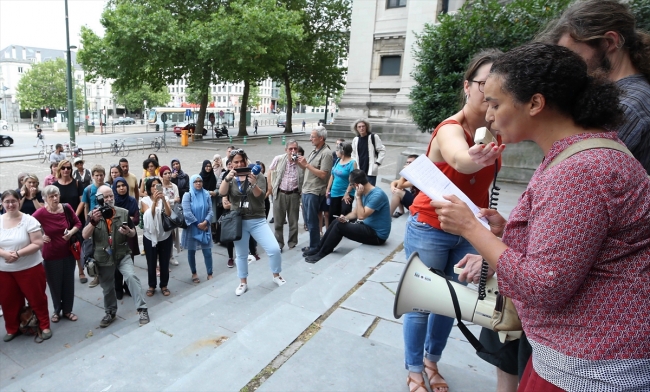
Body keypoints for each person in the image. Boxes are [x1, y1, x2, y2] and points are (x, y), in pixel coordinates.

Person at [432, 42, 650, 392]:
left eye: (496, 103)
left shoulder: (581, 170)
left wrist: (472, 229)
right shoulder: (583, 152)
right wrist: (507, 236)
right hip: (581, 357)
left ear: (535, 103)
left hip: (588, 366)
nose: (487, 114)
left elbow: (545, 287)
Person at [400, 49, 503, 392]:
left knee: (450, 304)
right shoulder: (450, 127)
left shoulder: (496, 131)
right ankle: (414, 369)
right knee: (421, 304)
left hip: (468, 229)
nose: (490, 91)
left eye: (498, 84)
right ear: (467, 86)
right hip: (431, 226)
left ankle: (432, 362)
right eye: (483, 83)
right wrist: (473, 156)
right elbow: (460, 159)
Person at [540, 0, 650, 174]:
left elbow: (578, 179)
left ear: (610, 41)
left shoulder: (627, 106)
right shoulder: (625, 96)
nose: (571, 67)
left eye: (575, 56)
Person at [219, 149, 285, 296]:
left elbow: (261, 197)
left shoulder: (257, 174)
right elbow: (222, 193)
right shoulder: (230, 176)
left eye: (242, 161)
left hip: (257, 219)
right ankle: (243, 282)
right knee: (241, 254)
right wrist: (227, 179)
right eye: (236, 162)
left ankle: (276, 275)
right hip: (239, 221)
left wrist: (254, 183)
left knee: (274, 249)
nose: (239, 164)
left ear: (246, 160)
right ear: (231, 164)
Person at [82, 185, 149, 328]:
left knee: (131, 277)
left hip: (122, 254)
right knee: (107, 287)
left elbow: (133, 233)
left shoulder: (123, 213)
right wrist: (93, 222)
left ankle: (142, 309)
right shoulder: (93, 215)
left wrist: (128, 232)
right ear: (99, 198)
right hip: (103, 257)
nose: (109, 199)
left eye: (111, 196)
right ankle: (110, 312)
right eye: (105, 197)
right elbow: (84, 235)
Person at [304, 170, 390, 263]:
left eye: (351, 185)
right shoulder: (365, 192)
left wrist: (358, 197)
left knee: (339, 227)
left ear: (356, 185)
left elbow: (361, 216)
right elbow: (355, 213)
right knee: (337, 221)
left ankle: (323, 253)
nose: (350, 186)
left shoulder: (377, 195)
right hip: (367, 227)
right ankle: (318, 248)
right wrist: (345, 218)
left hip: (377, 235)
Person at [0, 190, 52, 342]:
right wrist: (4, 254)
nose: (10, 204)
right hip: (4, 271)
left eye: (13, 201)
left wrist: (17, 254)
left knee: (37, 298)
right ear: (2, 203)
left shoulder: (29, 220)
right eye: (7, 202)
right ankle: (12, 328)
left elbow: (37, 243)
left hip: (30, 269)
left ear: (18, 201)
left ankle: (44, 325)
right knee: (8, 301)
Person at [32, 185, 82, 324]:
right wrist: (40, 236)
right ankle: (56, 310)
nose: (55, 198)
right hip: (51, 255)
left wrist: (70, 233)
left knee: (68, 283)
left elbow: (78, 223)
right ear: (45, 199)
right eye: (51, 196)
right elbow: (28, 226)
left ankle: (67, 310)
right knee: (54, 285)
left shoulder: (66, 208)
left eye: (56, 195)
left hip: (68, 252)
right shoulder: (41, 213)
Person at [297, 127, 333, 255]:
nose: (310, 139)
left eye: (312, 136)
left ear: (321, 138)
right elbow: (307, 168)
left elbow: (324, 174)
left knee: (312, 221)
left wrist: (307, 165)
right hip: (307, 189)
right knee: (308, 220)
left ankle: (315, 247)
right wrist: (300, 162)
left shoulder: (327, 153)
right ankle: (313, 244)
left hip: (315, 191)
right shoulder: (314, 151)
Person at [53, 160, 87, 283]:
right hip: (60, 219)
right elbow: (52, 203)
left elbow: (82, 201)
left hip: (75, 219)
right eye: (63, 168)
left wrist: (75, 215)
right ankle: (65, 273)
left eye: (68, 168)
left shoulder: (77, 184)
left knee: (77, 246)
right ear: (59, 170)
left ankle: (81, 271)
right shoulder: (55, 186)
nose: (66, 170)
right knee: (63, 247)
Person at [269, 140, 304, 250]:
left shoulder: (301, 161)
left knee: (293, 221)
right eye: (290, 149)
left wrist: (300, 163)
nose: (293, 151)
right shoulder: (279, 159)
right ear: (286, 150)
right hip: (280, 193)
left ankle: (292, 243)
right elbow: (270, 171)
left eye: (295, 148)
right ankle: (279, 243)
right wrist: (270, 187)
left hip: (294, 194)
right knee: (278, 222)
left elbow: (306, 173)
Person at [141, 178, 173, 297]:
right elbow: (149, 215)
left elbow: (169, 214)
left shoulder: (166, 198)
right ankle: (151, 285)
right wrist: (154, 201)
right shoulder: (144, 200)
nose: (155, 187)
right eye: (153, 185)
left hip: (164, 235)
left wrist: (163, 200)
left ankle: (164, 285)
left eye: (157, 185)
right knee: (151, 261)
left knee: (165, 261)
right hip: (149, 236)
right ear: (149, 188)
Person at [181, 175, 214, 283]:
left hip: (205, 227)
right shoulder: (188, 195)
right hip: (192, 228)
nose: (198, 183)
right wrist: (197, 224)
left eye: (200, 181)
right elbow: (187, 212)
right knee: (191, 251)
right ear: (192, 183)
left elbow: (210, 211)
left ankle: (210, 273)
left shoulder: (206, 194)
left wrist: (205, 222)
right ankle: (194, 273)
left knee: (207, 252)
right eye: (196, 181)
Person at [111, 177, 140, 300]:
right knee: (116, 263)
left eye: (123, 185)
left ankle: (127, 286)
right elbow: (112, 221)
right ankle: (117, 288)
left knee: (129, 262)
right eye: (118, 186)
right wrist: (129, 217)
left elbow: (137, 219)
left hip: (129, 236)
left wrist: (127, 220)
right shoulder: (112, 203)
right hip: (116, 237)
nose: (121, 188)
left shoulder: (132, 201)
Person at [326, 143, 357, 220]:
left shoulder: (352, 163)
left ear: (342, 152)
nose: (335, 152)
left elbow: (353, 180)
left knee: (344, 216)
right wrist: (328, 189)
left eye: (337, 150)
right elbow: (332, 175)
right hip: (334, 193)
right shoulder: (338, 161)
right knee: (333, 216)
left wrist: (347, 193)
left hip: (346, 194)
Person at [351, 119, 386, 186]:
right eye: (359, 127)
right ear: (356, 128)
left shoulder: (373, 137)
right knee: (360, 191)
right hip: (359, 171)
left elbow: (382, 150)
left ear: (366, 127)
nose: (361, 128)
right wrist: (354, 165)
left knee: (370, 191)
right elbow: (353, 154)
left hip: (370, 170)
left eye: (363, 126)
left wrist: (377, 163)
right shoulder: (356, 139)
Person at [160, 165, 180, 265]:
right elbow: (160, 201)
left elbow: (177, 200)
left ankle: (171, 255)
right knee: (163, 236)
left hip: (172, 214)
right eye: (165, 173)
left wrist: (168, 201)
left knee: (172, 235)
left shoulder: (174, 186)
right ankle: (162, 257)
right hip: (162, 214)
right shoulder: (159, 187)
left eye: (169, 173)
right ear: (161, 175)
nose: (168, 175)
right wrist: (171, 200)